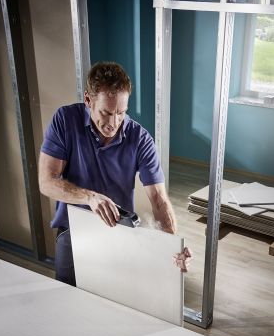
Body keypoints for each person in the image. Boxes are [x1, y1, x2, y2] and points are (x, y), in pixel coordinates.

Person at [38, 61, 191, 286]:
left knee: (115, 296)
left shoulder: (140, 139)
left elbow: (159, 200)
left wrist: (172, 246)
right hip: (74, 229)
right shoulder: (65, 120)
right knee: (67, 294)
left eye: (121, 113)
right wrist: (90, 198)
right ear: (88, 100)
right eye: (106, 113)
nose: (113, 123)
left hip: (119, 230)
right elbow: (46, 182)